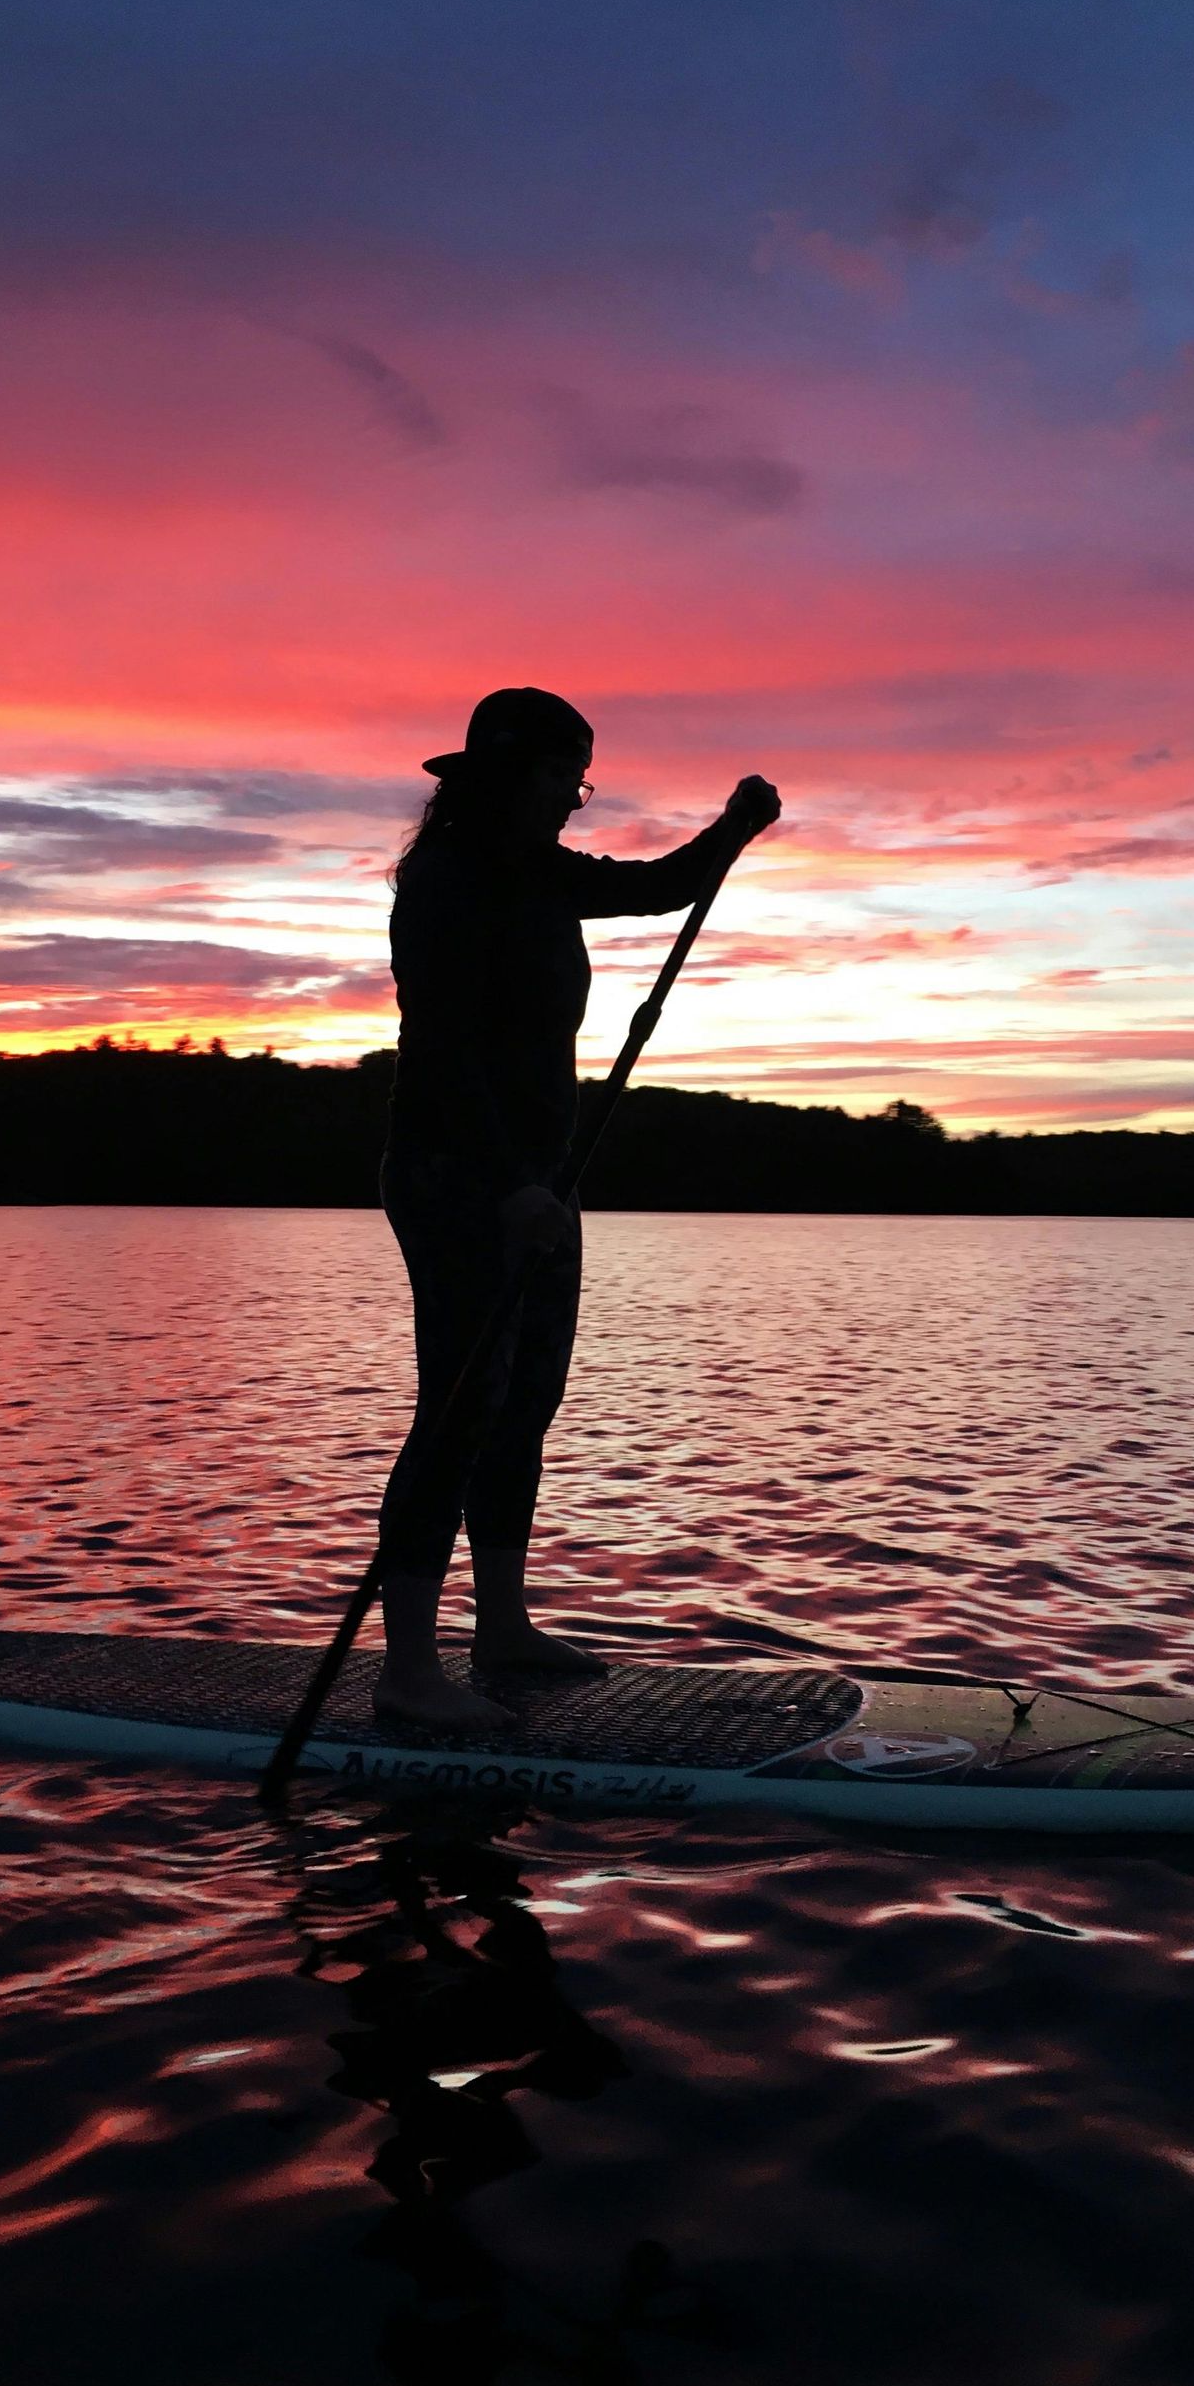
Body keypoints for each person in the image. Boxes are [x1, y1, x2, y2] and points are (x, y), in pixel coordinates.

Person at [371, 686, 781, 1731]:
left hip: (542, 1180)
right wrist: (509, 1185)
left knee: (526, 1403)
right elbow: (451, 1051)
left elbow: (658, 889)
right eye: (562, 777)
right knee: (460, 1407)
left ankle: (501, 1627)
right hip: (460, 1173)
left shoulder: (542, 875)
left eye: (579, 780)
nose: (573, 798)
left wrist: (734, 830)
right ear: (509, 774)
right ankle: (409, 1673)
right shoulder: (448, 883)